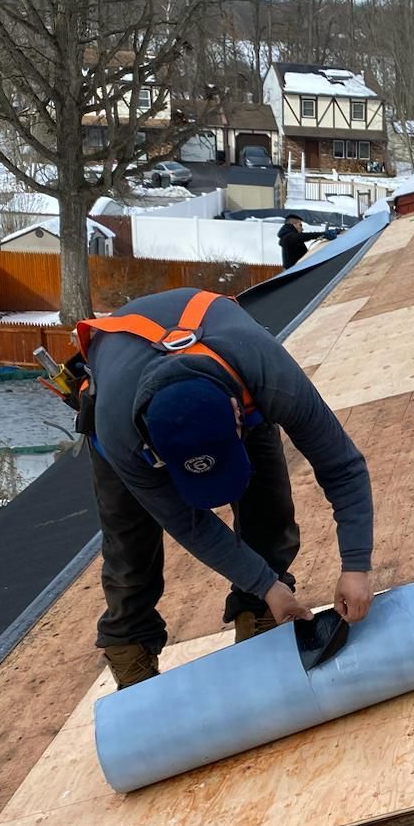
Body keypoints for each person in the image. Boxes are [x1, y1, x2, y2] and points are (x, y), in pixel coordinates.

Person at [75, 287, 374, 688]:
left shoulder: (268, 375)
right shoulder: (121, 433)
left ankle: (261, 617)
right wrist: (266, 583)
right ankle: (131, 657)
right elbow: (191, 524)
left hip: (228, 377)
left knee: (269, 510)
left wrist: (356, 566)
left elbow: (342, 466)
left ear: (238, 416)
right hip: (119, 400)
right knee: (130, 551)